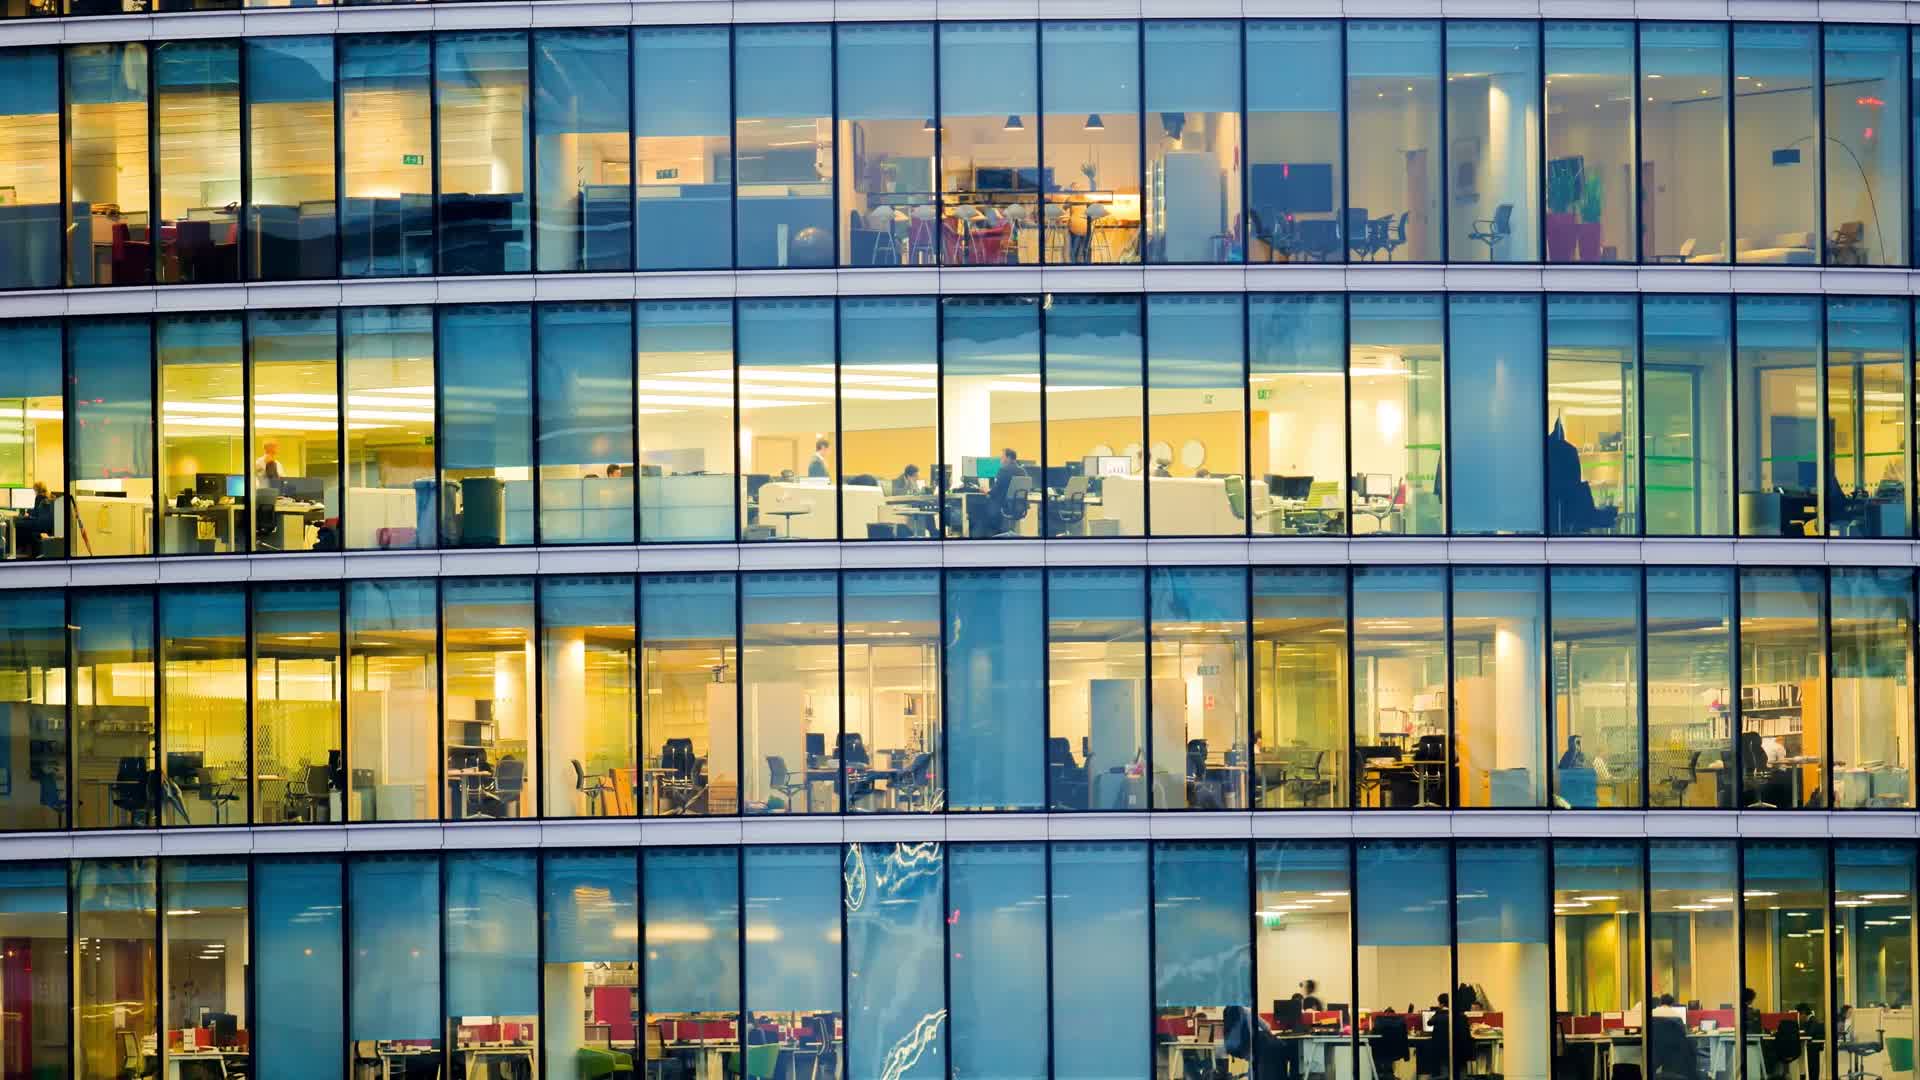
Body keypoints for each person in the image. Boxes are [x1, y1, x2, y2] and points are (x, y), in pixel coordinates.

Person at [984, 448, 1027, 534]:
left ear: (1008, 458)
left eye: (1002, 457)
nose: (1000, 459)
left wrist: (986, 491)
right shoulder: (1022, 471)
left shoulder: (1003, 470)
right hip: (1019, 507)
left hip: (1004, 506)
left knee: (982, 511)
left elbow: (995, 491)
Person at [15, 481, 54, 558]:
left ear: (37, 490)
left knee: (17, 525)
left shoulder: (39, 497)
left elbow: (36, 513)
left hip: (40, 526)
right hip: (46, 527)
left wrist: (28, 515)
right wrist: (30, 513)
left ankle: (16, 551)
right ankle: (21, 550)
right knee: (21, 524)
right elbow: (37, 511)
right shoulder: (47, 497)